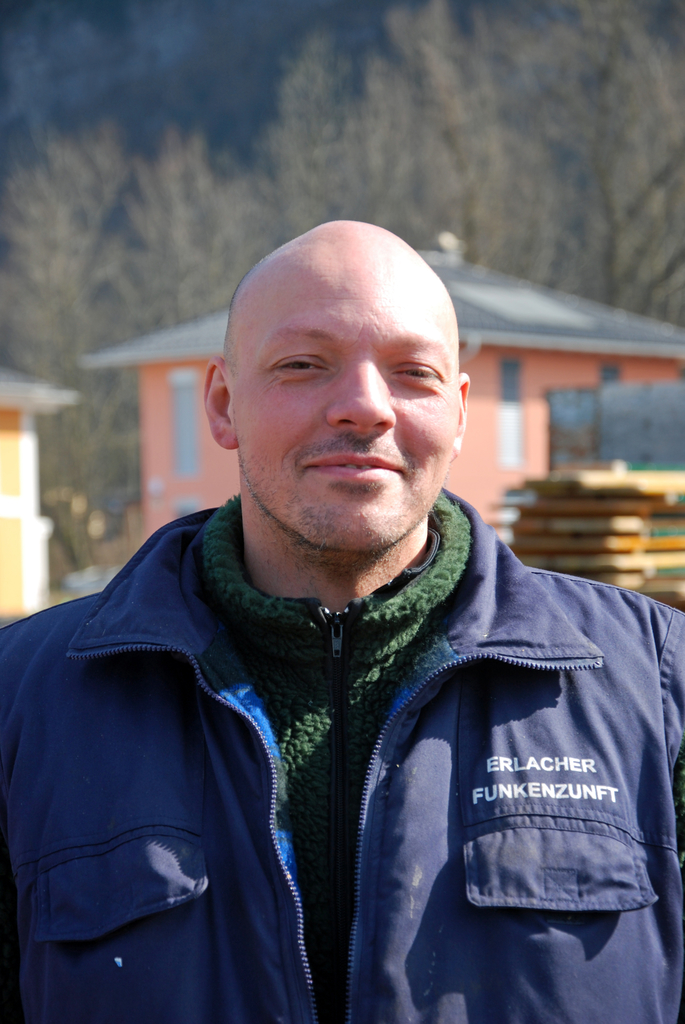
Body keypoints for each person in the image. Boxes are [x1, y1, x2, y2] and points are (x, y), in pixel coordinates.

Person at [0, 220, 684, 1024]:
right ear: (222, 404)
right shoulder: (23, 698)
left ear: (459, 414)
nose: (364, 407)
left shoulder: (657, 684)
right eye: (303, 364)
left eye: (412, 373)